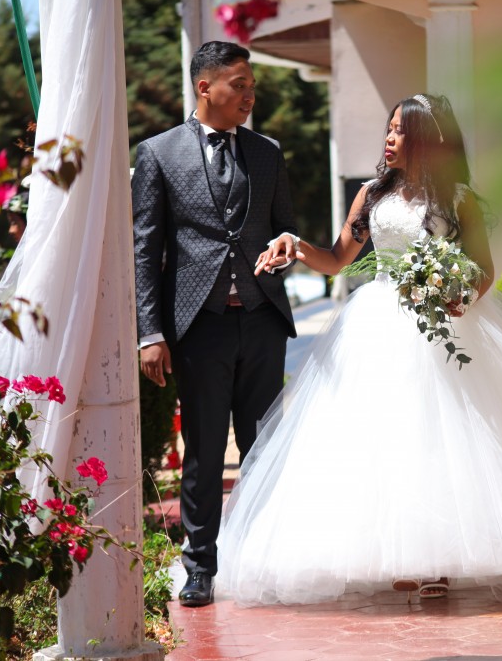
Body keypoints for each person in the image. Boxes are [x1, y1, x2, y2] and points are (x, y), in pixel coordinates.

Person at [216, 93, 502, 610]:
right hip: (378, 323)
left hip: (442, 326)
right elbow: (335, 259)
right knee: (385, 437)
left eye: (400, 130)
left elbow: (484, 270)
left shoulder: (457, 200)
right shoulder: (373, 194)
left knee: (443, 436)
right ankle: (398, 553)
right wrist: (294, 244)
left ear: (425, 139)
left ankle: (437, 563)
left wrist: (457, 298)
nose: (389, 137)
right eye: (388, 128)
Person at [131, 41, 299, 608]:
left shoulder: (269, 152)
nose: (250, 96)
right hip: (198, 327)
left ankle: (266, 558)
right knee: (203, 452)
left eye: (253, 86)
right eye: (239, 84)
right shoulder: (158, 154)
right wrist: (150, 333)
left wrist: (284, 249)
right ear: (206, 87)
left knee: (264, 447)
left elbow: (285, 229)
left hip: (262, 319)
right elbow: (144, 251)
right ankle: (200, 568)